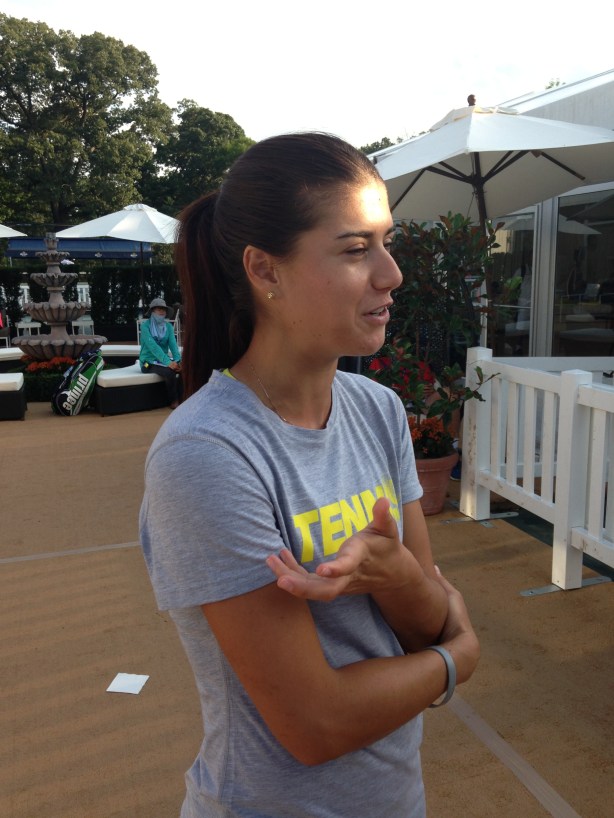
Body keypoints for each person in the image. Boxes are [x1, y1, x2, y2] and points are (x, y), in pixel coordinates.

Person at [139, 133, 480, 818]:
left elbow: (421, 627)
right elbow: (314, 726)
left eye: (387, 242)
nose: (391, 274)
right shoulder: (208, 454)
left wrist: (404, 580)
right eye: (356, 250)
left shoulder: (376, 410)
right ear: (265, 271)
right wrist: (461, 659)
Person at [139, 297, 182, 409]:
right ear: (152, 312)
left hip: (162, 361)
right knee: (169, 372)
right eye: (159, 309)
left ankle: (185, 397)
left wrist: (178, 361)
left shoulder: (168, 327)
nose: (162, 311)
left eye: (163, 309)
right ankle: (174, 400)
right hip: (147, 362)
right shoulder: (145, 327)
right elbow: (153, 347)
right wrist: (168, 362)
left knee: (183, 369)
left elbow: (173, 345)